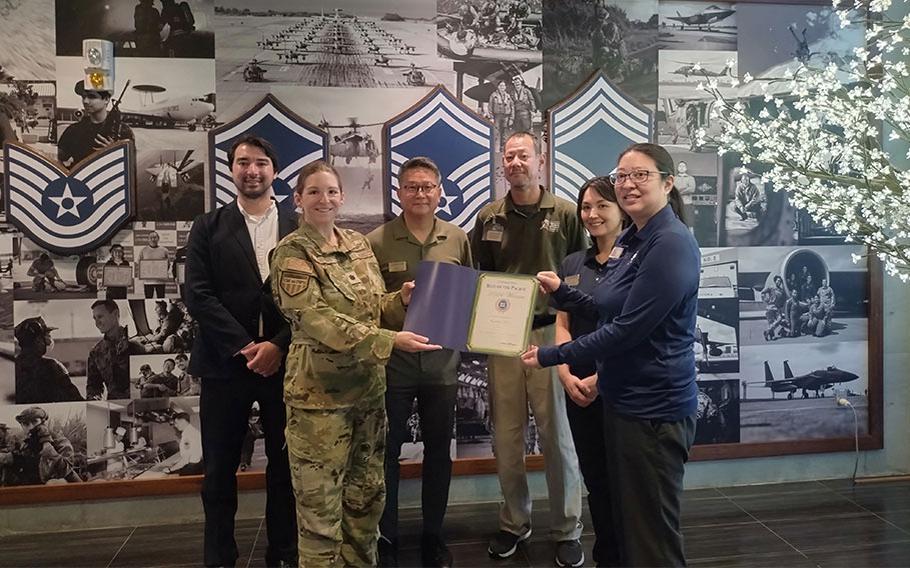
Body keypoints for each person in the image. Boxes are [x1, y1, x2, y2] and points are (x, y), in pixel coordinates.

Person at [523, 143, 701, 567]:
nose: (628, 184)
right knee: (629, 525)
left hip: (654, 408)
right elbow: (608, 303)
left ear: (668, 182)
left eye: (640, 175)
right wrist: (564, 293)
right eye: (622, 175)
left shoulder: (670, 243)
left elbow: (627, 330)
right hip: (626, 404)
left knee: (652, 536)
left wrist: (551, 355)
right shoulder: (635, 239)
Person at [270, 160, 440, 567]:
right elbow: (316, 320)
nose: (324, 199)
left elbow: (370, 309)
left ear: (342, 197)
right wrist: (389, 340)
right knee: (320, 514)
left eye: (331, 191)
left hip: (367, 396)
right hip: (319, 403)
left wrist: (399, 301)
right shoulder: (291, 253)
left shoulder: (357, 244)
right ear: (298, 199)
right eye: (314, 192)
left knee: (366, 502)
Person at [469, 131, 587, 567]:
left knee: (557, 436)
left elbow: (580, 275)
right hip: (502, 338)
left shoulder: (567, 214)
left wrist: (569, 332)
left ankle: (567, 527)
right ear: (502, 164)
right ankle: (514, 522)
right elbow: (479, 275)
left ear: (541, 160)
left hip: (550, 333)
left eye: (524, 155)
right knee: (507, 436)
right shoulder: (488, 217)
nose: (516, 162)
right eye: (509, 156)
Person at [184, 134, 298, 568]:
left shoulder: (298, 225)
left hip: (286, 367)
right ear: (231, 169)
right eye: (243, 162)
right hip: (224, 365)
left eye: (261, 162)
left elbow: (316, 301)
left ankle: (284, 554)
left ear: (275, 170)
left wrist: (278, 346)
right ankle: (219, 558)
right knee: (218, 473)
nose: (252, 170)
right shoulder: (207, 227)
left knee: (285, 471)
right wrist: (248, 347)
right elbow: (198, 296)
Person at [367, 157, 473, 568]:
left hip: (442, 368)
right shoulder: (377, 241)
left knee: (438, 455)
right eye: (412, 186)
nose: (420, 194)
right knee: (386, 454)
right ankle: (386, 535)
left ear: (440, 191)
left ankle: (434, 536)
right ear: (399, 191)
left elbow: (469, 297)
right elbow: (370, 308)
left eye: (428, 186)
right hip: (395, 368)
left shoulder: (458, 238)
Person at [553, 176, 628, 567]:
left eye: (602, 205)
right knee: (595, 479)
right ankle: (605, 555)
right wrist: (565, 373)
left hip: (617, 385)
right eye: (586, 206)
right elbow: (562, 323)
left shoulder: (635, 262)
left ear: (620, 210)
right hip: (576, 384)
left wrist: (601, 379)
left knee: (624, 481)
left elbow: (631, 327)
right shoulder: (571, 263)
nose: (593, 214)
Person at [58, 80, 134, 168]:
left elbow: (129, 168)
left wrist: (115, 153)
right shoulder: (73, 130)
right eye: (83, 97)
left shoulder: (122, 131)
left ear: (106, 99)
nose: (85, 101)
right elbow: (57, 158)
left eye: (91, 96)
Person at [14, 317, 83, 404]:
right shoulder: (51, 366)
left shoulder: (12, 367)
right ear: (38, 340)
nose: (49, 340)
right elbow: (76, 402)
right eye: (47, 336)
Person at [87, 300, 144, 400]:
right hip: (114, 407)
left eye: (100, 317)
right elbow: (94, 386)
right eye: (94, 318)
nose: (97, 323)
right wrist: (94, 398)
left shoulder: (135, 343)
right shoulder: (96, 352)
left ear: (115, 314)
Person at [14, 406, 82, 484]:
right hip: (36, 486)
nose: (31, 427)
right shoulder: (26, 445)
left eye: (35, 422)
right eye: (26, 424)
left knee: (54, 483)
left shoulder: (60, 441)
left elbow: (66, 469)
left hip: (60, 485)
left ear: (43, 423)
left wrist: (46, 443)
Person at [139, 231, 170, 298]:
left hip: (161, 281)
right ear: (148, 239)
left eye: (155, 237)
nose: (153, 239)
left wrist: (162, 273)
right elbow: (140, 264)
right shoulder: (143, 250)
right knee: (148, 300)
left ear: (158, 238)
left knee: (161, 299)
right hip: (148, 281)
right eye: (151, 238)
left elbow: (168, 264)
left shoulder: (164, 250)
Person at [488, 80, 514, 152]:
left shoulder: (508, 96)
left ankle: (503, 149)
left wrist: (511, 118)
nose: (502, 87)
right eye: (501, 85)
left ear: (505, 87)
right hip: (497, 116)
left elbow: (512, 107)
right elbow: (490, 106)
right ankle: (493, 149)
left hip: (506, 116)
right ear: (498, 87)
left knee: (504, 133)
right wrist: (491, 117)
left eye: (503, 86)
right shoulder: (493, 95)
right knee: (495, 133)